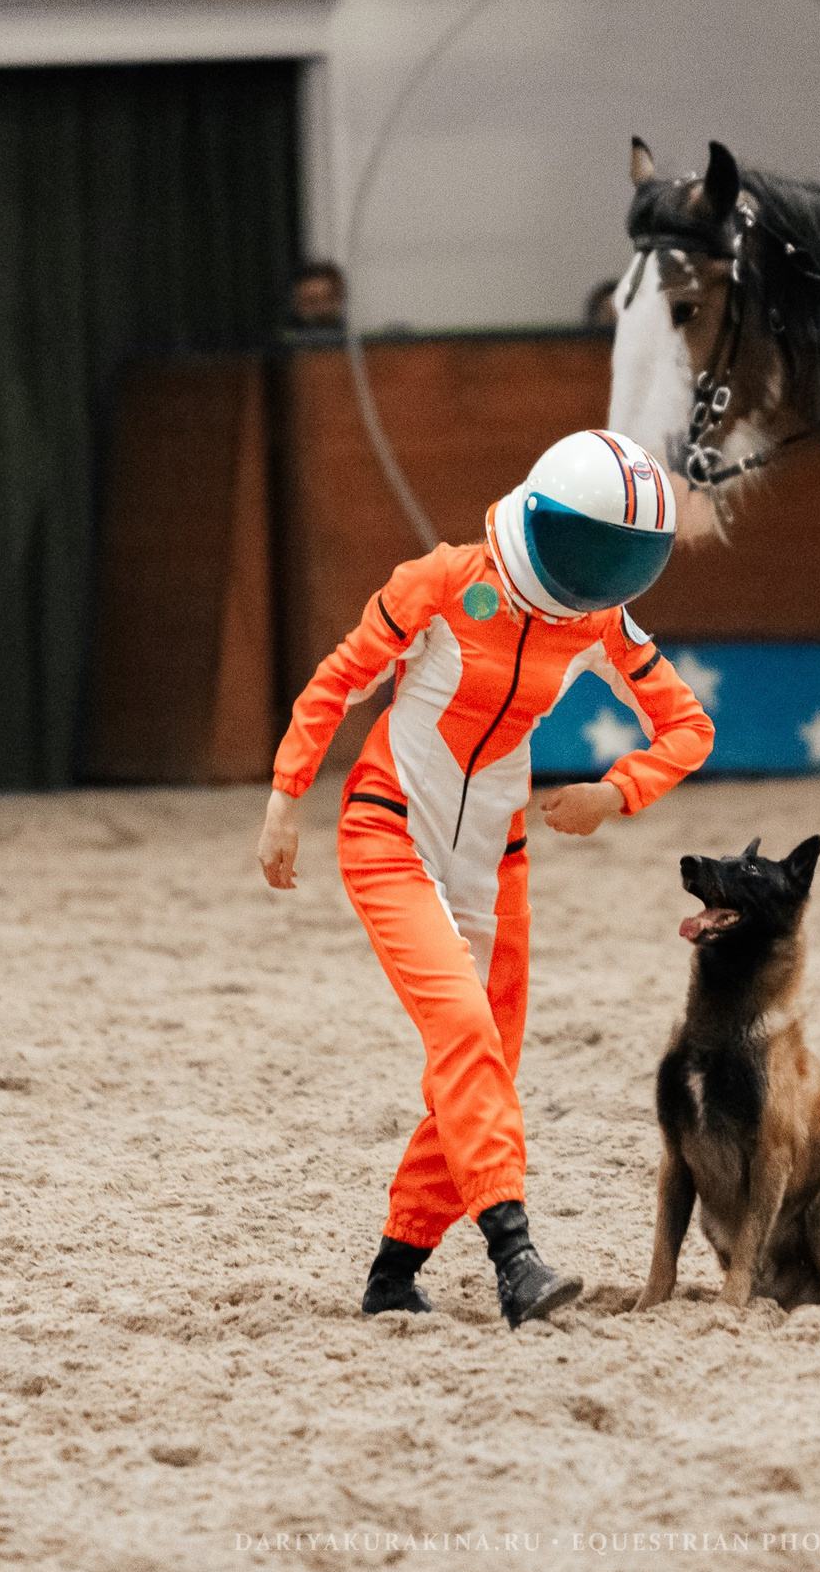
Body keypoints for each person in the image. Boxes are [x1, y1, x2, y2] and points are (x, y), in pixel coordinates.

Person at [257, 430, 714, 1328]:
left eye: (623, 560)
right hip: (389, 830)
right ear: (542, 519)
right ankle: (515, 1251)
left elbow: (687, 727)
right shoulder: (436, 582)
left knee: (484, 1062)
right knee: (465, 1029)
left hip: (494, 861)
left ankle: (397, 1267)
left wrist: (614, 792)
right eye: (591, 552)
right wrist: (286, 794)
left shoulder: (597, 620)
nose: (599, 577)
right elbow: (340, 680)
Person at [287, 260, 347, 332]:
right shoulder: (282, 339)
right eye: (311, 301)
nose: (319, 308)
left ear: (339, 298)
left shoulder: (355, 340)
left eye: (325, 299)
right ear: (297, 303)